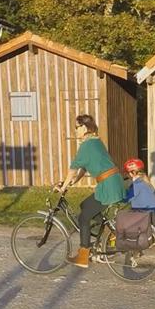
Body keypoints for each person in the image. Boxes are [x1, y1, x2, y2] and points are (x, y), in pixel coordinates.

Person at [55, 114, 125, 268]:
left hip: (108, 186)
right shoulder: (95, 141)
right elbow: (84, 166)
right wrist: (75, 181)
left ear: (85, 127)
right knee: (85, 205)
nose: (75, 131)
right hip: (112, 182)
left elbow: (73, 169)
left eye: (77, 127)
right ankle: (109, 232)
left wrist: (63, 187)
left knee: (83, 218)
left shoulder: (86, 145)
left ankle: (83, 256)